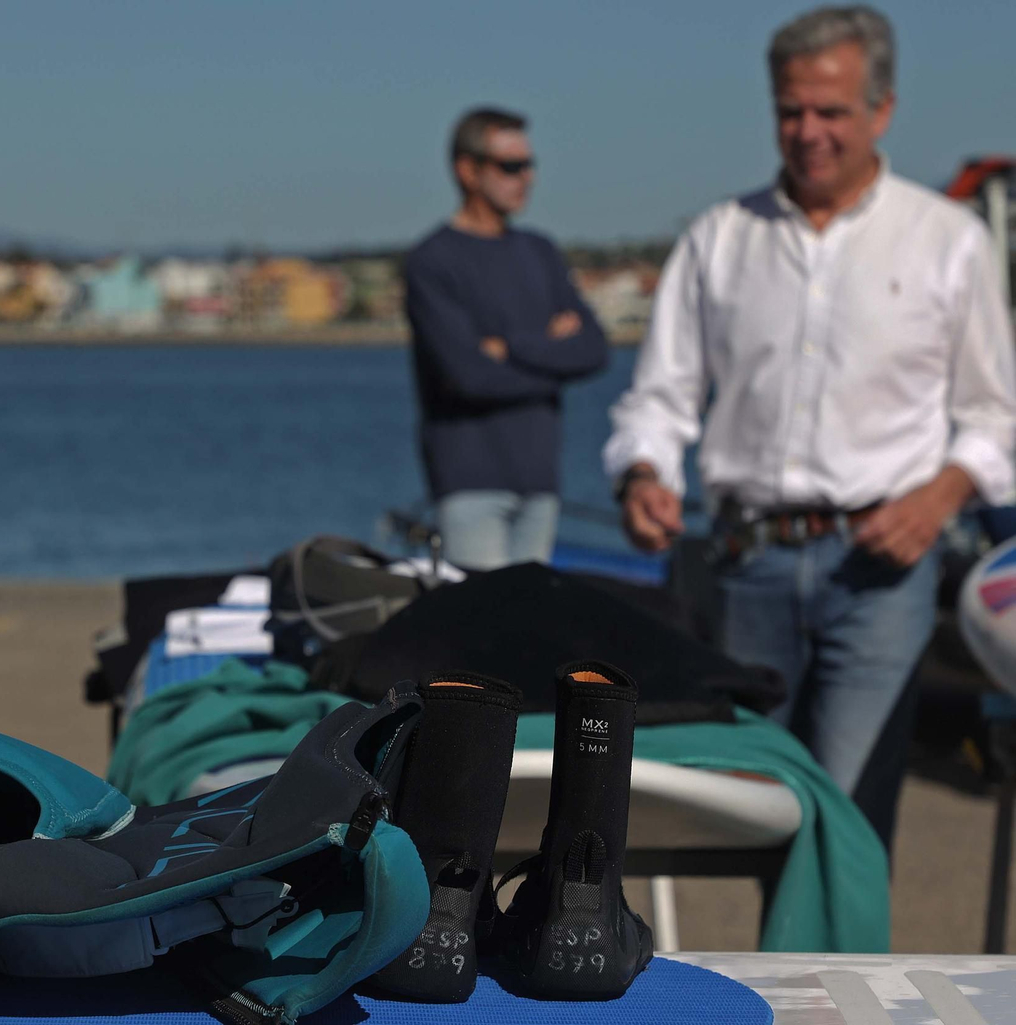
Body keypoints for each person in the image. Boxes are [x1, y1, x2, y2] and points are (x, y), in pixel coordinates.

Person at [604, 6, 1016, 816]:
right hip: (745, 566)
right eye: (791, 111)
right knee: (756, 816)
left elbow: (997, 416)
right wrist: (644, 475)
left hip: (883, 574)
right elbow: (659, 397)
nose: (808, 131)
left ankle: (849, 948)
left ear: (882, 109)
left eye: (831, 111)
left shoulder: (946, 240)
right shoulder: (719, 239)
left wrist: (936, 502)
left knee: (852, 819)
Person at [404, 107, 609, 571]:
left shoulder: (540, 253)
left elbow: (594, 350)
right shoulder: (432, 261)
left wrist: (512, 347)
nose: (528, 178)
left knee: (529, 629)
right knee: (484, 626)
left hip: (540, 479)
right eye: (512, 166)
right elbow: (468, 376)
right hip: (469, 481)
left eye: (530, 165)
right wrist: (553, 359)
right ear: (468, 170)